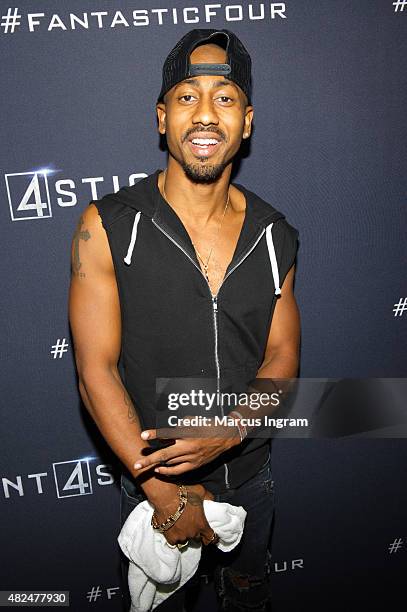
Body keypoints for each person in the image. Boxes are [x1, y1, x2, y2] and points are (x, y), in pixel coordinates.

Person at [68, 28, 300, 612]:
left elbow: (282, 358)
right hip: (152, 487)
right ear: (161, 117)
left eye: (223, 98)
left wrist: (230, 426)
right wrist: (162, 492)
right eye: (187, 97)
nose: (204, 115)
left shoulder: (275, 234)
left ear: (246, 122)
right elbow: (94, 372)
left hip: (250, 481)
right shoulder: (107, 224)